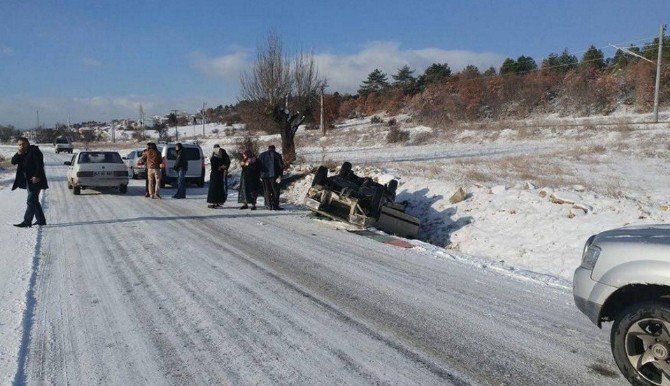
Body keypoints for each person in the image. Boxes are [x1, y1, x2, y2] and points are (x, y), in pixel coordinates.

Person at [11, 137, 48, 227]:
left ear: (28, 143)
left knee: (31, 200)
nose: (22, 146)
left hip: (36, 180)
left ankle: (27, 222)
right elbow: (13, 162)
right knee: (34, 200)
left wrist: (36, 176)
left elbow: (40, 165)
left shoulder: (35, 151)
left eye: (23, 144)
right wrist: (19, 153)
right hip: (28, 180)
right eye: (19, 144)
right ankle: (41, 220)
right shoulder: (22, 153)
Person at [259, 145, 284, 210]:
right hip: (274, 176)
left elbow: (259, 166)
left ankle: (268, 205)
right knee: (275, 191)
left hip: (264, 176)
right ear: (274, 149)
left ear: (268, 148)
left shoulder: (262, 155)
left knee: (266, 190)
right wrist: (280, 175)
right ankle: (275, 206)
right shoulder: (277, 155)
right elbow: (281, 166)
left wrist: (260, 175)